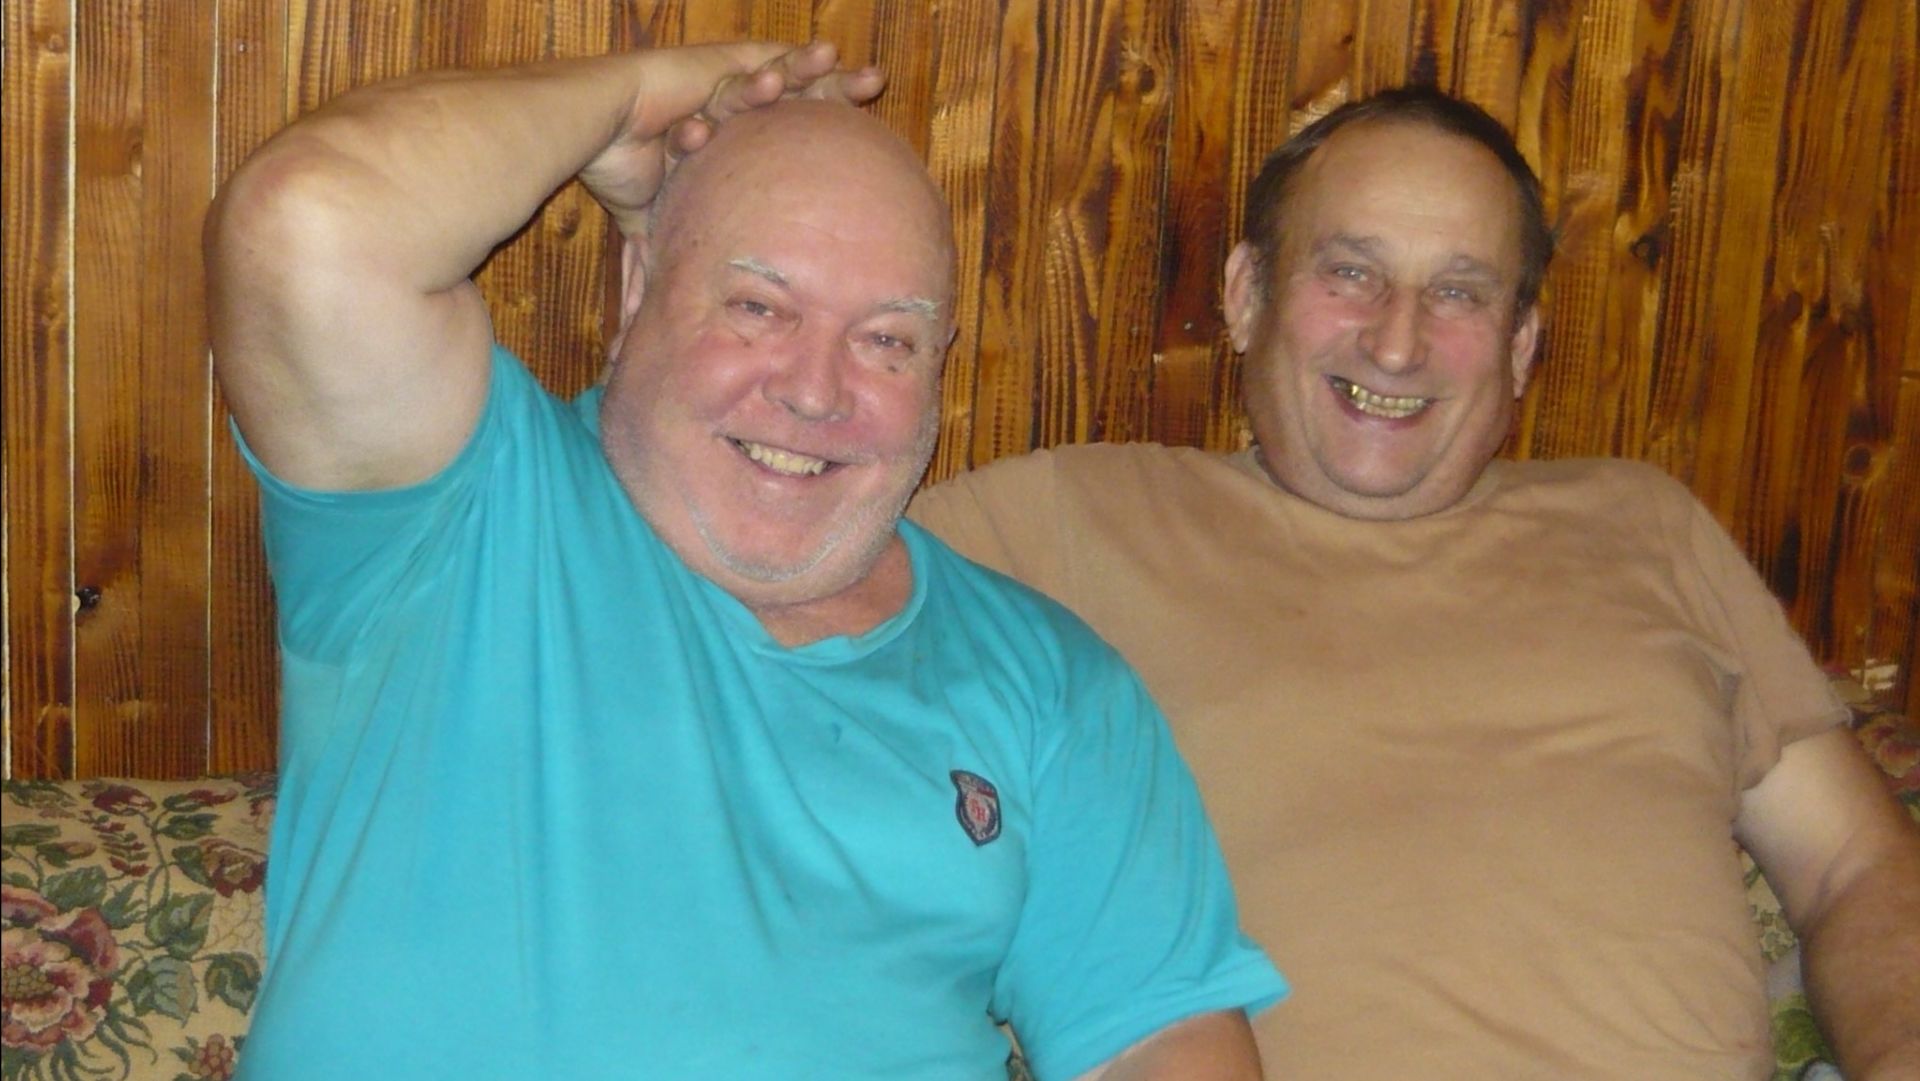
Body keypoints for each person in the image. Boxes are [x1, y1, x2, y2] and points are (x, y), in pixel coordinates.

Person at [204, 42, 1285, 1080]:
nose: (815, 391)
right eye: (760, 308)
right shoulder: (458, 510)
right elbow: (304, 222)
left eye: (887, 340)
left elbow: (1157, 1042)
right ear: (638, 293)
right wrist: (633, 97)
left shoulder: (1049, 680)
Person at [910, 85, 1920, 1079]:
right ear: (1246, 294)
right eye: (1351, 272)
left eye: (1459, 292)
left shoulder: (1647, 525)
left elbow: (1855, 865)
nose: (1397, 341)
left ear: (1521, 346)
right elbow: (810, 588)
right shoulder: (1071, 521)